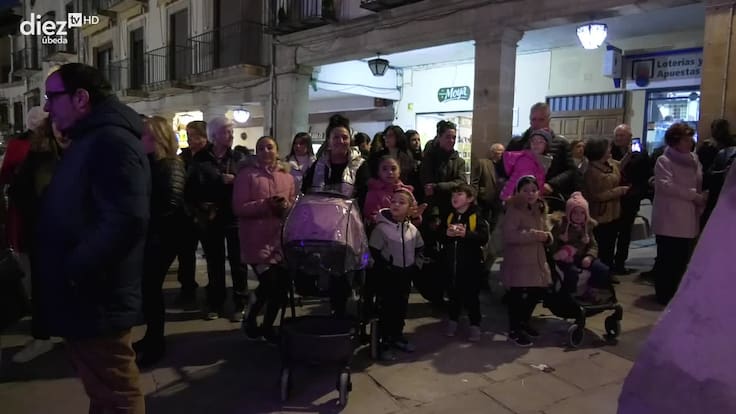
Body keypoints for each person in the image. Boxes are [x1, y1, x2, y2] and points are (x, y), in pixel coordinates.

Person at [36, 62, 149, 413]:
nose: (47, 107)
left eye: (52, 96)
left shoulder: (110, 141)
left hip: (97, 297)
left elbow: (126, 219)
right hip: (88, 295)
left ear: (81, 98)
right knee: (105, 393)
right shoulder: (93, 139)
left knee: (117, 394)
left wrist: (74, 268)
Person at [9, 117, 69, 363]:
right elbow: (23, 192)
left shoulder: (72, 154)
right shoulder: (40, 158)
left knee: (58, 284)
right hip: (46, 233)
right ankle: (44, 335)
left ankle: (55, 332)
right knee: (44, 286)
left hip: (62, 234)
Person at [302, 114, 369, 316]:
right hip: (322, 227)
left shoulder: (360, 165)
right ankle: (335, 307)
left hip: (350, 226)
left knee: (346, 269)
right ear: (329, 141)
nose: (341, 141)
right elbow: (306, 192)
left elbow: (365, 194)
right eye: (336, 137)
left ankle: (341, 310)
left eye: (344, 137)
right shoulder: (318, 166)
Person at [185, 116, 248, 321]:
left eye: (231, 131)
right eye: (226, 132)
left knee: (238, 261)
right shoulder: (200, 159)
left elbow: (249, 184)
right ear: (214, 135)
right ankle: (215, 301)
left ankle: (240, 301)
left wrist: (236, 180)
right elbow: (191, 188)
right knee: (214, 261)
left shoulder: (238, 157)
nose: (231, 135)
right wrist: (198, 210)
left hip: (234, 215)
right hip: (210, 216)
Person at [135, 116, 186, 367]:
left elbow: (171, 202)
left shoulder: (171, 164)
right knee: (149, 290)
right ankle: (151, 336)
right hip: (155, 235)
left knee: (152, 289)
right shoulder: (152, 163)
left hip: (164, 237)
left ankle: (156, 343)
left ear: (157, 138)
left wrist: (145, 219)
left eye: (145, 135)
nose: (140, 139)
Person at [234, 136, 295, 344]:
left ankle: (268, 327)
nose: (266, 151)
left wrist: (285, 207)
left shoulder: (287, 177)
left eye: (269, 147)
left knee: (281, 287)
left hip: (279, 239)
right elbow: (239, 207)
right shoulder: (246, 175)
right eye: (261, 148)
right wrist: (266, 204)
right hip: (256, 239)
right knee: (269, 283)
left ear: (277, 150)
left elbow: (292, 205)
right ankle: (251, 315)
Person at [651, 122, 704, 305]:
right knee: (667, 258)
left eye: (690, 139)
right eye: (686, 139)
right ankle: (664, 294)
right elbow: (666, 186)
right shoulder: (664, 160)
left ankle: (677, 292)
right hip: (670, 216)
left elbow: (698, 180)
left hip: (688, 214)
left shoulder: (694, 159)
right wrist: (693, 195)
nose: (690, 142)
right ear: (675, 141)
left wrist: (701, 197)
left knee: (682, 258)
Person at [369, 187, 424, 360]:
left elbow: (420, 249)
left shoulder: (412, 230)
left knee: (401, 308)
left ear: (410, 208)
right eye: (393, 201)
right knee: (386, 310)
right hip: (388, 277)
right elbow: (374, 252)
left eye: (401, 202)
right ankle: (383, 342)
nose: (396, 205)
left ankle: (397, 336)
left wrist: (416, 267)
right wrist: (386, 268)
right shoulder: (381, 229)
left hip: (405, 276)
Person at [500, 175, 552, 347]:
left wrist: (548, 237)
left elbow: (546, 229)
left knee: (536, 292)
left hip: (536, 260)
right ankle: (514, 329)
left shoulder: (540, 208)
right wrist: (533, 235)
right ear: (518, 192)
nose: (530, 194)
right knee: (517, 297)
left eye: (534, 190)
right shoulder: (514, 209)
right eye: (525, 190)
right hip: (519, 261)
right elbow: (509, 235)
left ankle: (524, 322)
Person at [442, 183, 489, 342]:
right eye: (453, 195)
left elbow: (483, 237)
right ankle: (453, 320)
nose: (454, 198)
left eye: (459, 194)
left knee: (471, 297)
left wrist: (466, 234)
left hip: (471, 267)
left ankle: (475, 324)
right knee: (453, 296)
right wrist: (446, 234)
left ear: (470, 198)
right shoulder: (450, 215)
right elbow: (441, 235)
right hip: (451, 266)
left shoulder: (476, 216)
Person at [507, 102, 577, 204]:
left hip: (549, 197)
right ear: (530, 120)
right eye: (534, 119)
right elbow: (504, 169)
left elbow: (571, 170)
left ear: (549, 120)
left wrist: (552, 184)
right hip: (520, 196)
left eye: (541, 120)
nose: (537, 123)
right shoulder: (517, 143)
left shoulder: (561, 143)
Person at [550, 192, 613, 303]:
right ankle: (570, 295)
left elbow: (593, 245)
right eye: (575, 213)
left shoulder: (587, 227)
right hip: (565, 257)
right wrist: (561, 255)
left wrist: (589, 256)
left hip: (582, 256)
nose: (579, 216)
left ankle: (592, 290)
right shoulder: (560, 227)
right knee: (572, 272)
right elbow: (552, 245)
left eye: (582, 213)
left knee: (602, 269)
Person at [174, 120, 208, 307]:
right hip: (186, 211)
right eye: (189, 135)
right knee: (186, 253)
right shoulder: (184, 157)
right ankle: (187, 288)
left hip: (206, 211)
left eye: (194, 135)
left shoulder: (209, 155)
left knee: (211, 253)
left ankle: (214, 289)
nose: (190, 139)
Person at [583, 138, 628, 274]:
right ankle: (600, 275)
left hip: (613, 212)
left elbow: (619, 166)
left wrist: (629, 155)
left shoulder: (609, 163)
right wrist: (620, 191)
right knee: (601, 246)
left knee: (610, 245)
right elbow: (596, 195)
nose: (610, 149)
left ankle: (609, 272)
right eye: (607, 148)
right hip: (600, 215)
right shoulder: (591, 171)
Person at [610, 124, 651, 274]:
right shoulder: (610, 151)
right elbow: (614, 169)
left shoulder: (640, 153)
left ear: (630, 137)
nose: (618, 138)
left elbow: (644, 173)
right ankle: (608, 263)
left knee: (625, 231)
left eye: (622, 135)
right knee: (611, 231)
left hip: (631, 197)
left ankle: (620, 263)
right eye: (617, 135)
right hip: (613, 196)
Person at [500, 129, 552, 201]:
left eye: (540, 141)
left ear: (547, 145)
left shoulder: (541, 160)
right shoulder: (526, 161)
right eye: (533, 141)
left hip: (527, 197)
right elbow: (520, 182)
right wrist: (508, 198)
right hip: (520, 199)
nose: (536, 144)